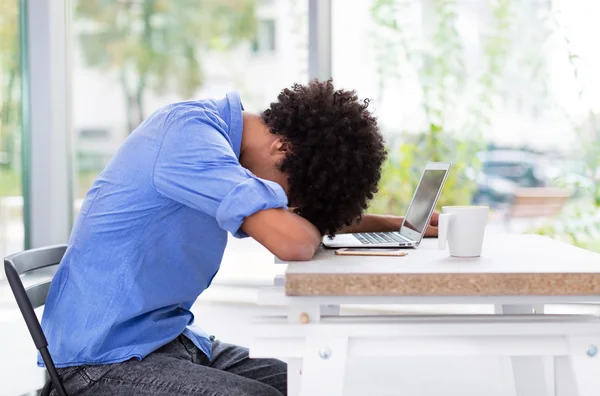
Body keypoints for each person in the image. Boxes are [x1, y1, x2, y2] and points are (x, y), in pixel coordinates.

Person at [41, 80, 438, 396]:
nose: (284, 207)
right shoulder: (189, 137)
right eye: (289, 194)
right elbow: (293, 241)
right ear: (282, 146)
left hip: (165, 342)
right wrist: (299, 218)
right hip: (98, 363)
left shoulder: (222, 154)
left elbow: (296, 226)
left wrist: (394, 222)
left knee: (301, 382)